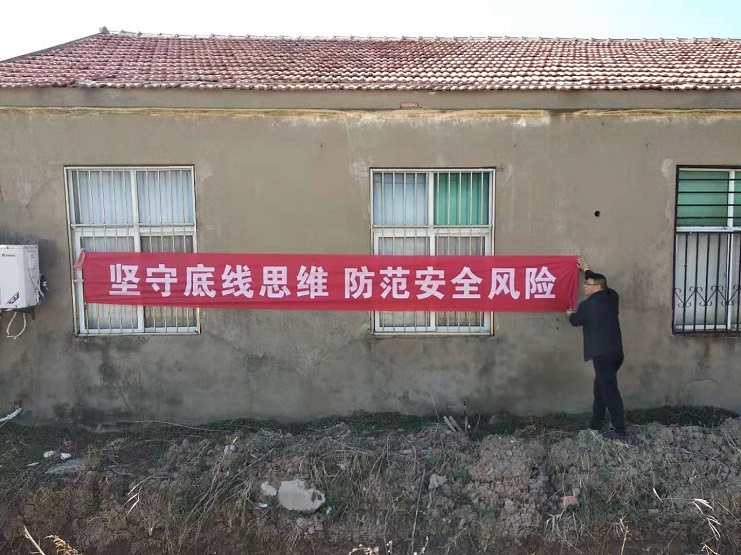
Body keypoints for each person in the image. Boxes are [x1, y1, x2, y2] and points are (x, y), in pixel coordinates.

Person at [566, 257, 626, 440]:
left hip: (602, 355)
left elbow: (575, 321)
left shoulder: (587, 306)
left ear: (598, 287)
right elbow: (605, 285)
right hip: (616, 353)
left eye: (588, 284)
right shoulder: (612, 297)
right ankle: (596, 424)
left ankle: (620, 430)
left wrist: (570, 314)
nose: (584, 287)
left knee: (609, 391)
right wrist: (587, 270)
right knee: (600, 388)